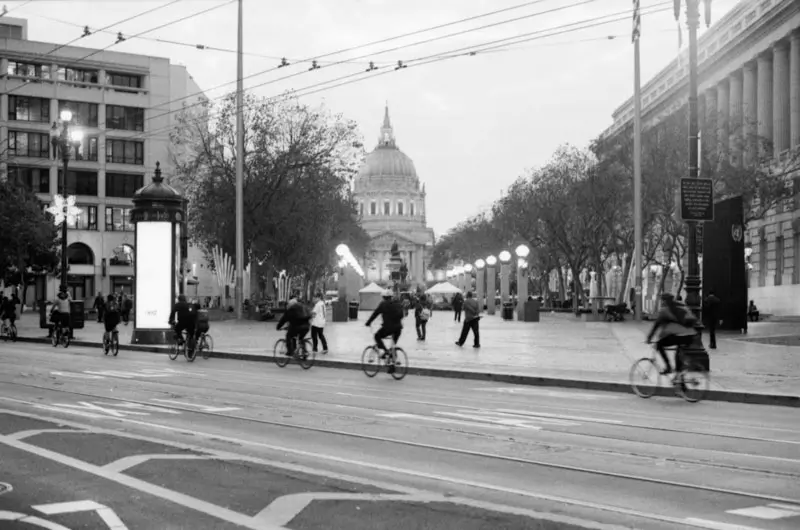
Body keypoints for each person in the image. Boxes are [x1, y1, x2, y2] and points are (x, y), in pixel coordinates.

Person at [646, 293, 697, 375]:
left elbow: (657, 325)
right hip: (691, 335)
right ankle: (681, 379)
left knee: (660, 344)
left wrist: (649, 338)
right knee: (678, 354)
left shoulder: (665, 310)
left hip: (680, 336)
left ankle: (668, 367)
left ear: (664, 301)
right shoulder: (682, 307)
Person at [365, 290, 404, 356]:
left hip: (388, 328)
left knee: (377, 336)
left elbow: (375, 314)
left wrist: (368, 322)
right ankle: (393, 358)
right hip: (398, 328)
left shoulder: (383, 304)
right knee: (393, 345)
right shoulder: (397, 304)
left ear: (383, 297)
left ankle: (386, 351)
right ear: (391, 297)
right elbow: (402, 315)